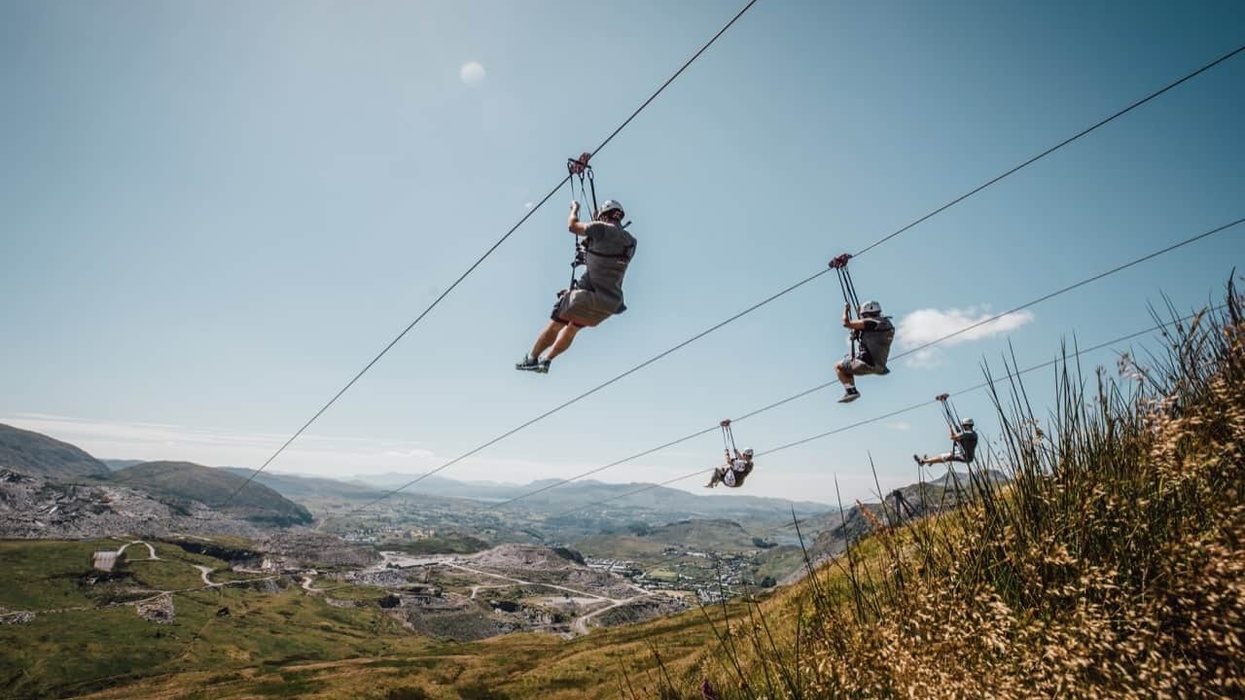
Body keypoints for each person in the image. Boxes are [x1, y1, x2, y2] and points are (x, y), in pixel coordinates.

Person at [516, 199, 637, 374]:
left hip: (589, 299)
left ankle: (532, 358)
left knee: (557, 323)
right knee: (573, 328)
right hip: (610, 306)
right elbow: (602, 266)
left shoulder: (601, 229)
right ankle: (547, 361)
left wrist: (575, 208)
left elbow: (572, 226)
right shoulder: (631, 242)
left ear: (603, 215)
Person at [834, 300, 895, 403]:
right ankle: (851, 390)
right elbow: (867, 329)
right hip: (879, 367)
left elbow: (846, 323)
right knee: (847, 360)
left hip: (867, 363)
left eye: (863, 315)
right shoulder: (885, 324)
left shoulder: (872, 322)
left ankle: (851, 390)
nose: (862, 318)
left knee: (838, 366)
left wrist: (846, 309)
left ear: (867, 314)